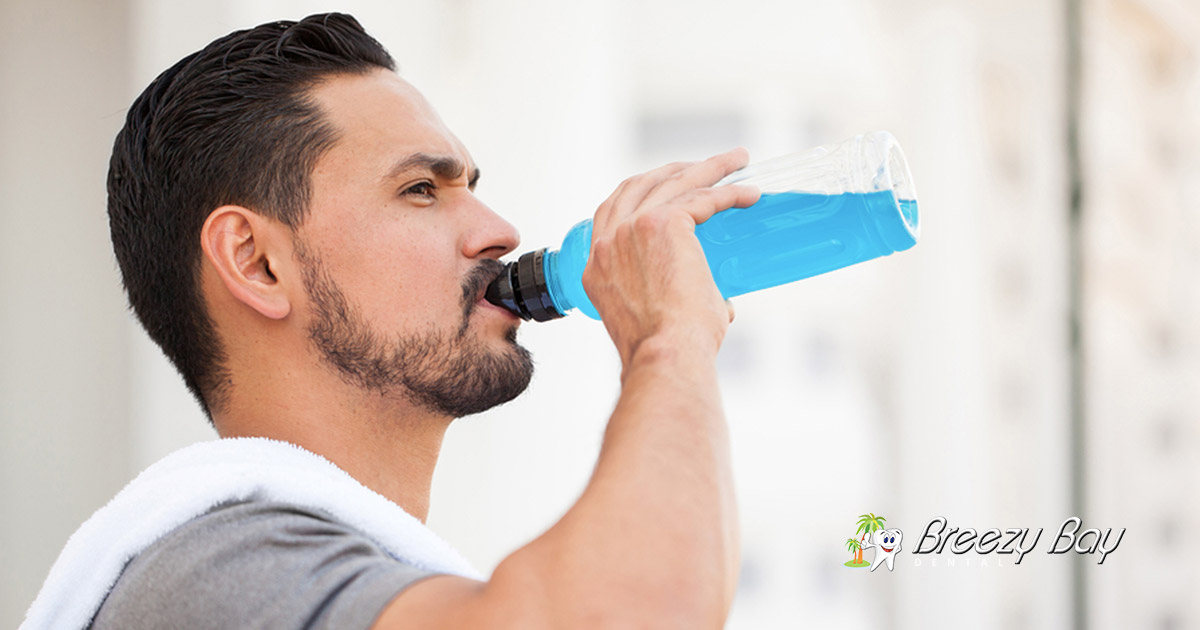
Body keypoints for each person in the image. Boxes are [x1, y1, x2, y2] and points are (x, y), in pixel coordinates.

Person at [26, 12, 759, 629]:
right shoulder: (214, 572)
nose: (500, 230)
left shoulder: (333, 570)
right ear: (256, 262)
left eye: (470, 187)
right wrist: (671, 341)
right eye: (419, 189)